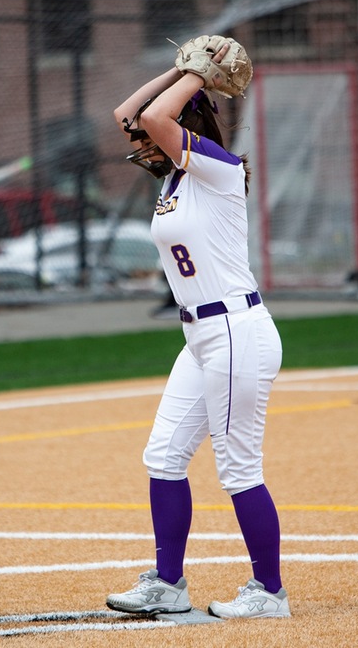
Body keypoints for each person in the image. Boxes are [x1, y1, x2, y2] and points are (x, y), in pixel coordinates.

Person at [105, 41, 289, 620]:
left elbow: (156, 118)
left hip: (236, 328)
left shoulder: (216, 168)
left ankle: (269, 593)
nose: (139, 142)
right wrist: (182, 69)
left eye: (151, 136)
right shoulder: (177, 180)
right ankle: (168, 583)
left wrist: (193, 78)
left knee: (238, 467)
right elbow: (128, 115)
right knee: (163, 454)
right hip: (200, 337)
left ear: (183, 122)